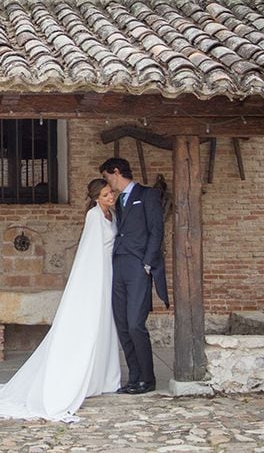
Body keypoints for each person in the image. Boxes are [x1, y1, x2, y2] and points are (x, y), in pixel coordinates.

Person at [0, 179, 122, 422]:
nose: (111, 197)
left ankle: (104, 377)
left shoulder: (112, 215)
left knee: (106, 325)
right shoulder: (94, 216)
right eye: (106, 194)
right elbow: (90, 252)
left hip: (109, 272)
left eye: (111, 193)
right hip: (96, 275)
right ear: (96, 197)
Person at [99, 157, 169, 395]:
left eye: (107, 177)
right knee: (122, 325)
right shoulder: (119, 202)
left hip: (139, 267)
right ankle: (134, 377)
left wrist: (148, 263)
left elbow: (156, 230)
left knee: (135, 324)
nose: (108, 183)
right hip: (118, 266)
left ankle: (147, 379)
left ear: (116, 172)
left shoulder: (147, 195)